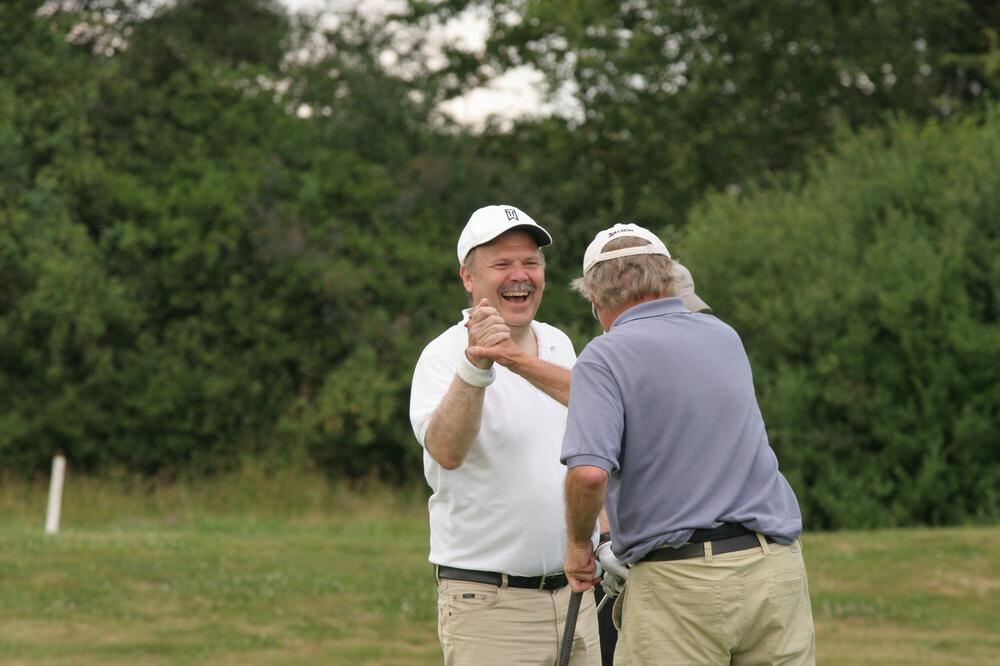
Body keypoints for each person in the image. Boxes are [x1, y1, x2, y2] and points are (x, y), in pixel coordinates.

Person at [560, 223, 816, 665]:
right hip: (775, 569)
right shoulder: (724, 337)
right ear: (668, 280)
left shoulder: (602, 356)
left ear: (596, 301)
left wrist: (578, 545)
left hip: (681, 583)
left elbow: (588, 473)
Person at [409, 204, 601, 665]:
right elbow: (447, 451)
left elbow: (589, 445)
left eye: (531, 262)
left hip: (577, 594)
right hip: (490, 603)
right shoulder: (442, 355)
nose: (521, 275)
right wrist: (476, 364)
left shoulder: (559, 343)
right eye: (502, 264)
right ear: (468, 278)